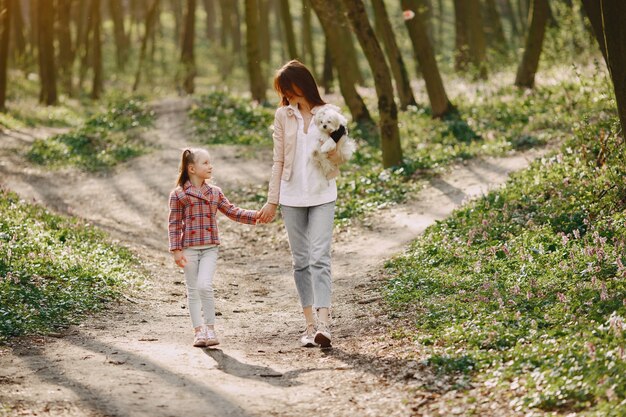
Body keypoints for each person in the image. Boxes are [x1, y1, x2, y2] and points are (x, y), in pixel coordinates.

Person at [258, 60, 348, 348]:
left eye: (289, 86)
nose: (286, 93)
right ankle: (309, 326)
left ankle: (324, 324)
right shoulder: (283, 116)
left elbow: (343, 155)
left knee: (319, 257)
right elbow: (278, 159)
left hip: (322, 192)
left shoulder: (330, 114)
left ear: (303, 83)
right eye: (283, 89)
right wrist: (272, 201)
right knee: (300, 262)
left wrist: (334, 150)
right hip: (291, 195)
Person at [168, 148, 259, 348]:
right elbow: (174, 224)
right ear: (192, 168)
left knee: (204, 286)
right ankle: (198, 331)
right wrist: (176, 250)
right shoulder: (179, 195)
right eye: (206, 163)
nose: (211, 166)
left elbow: (232, 212)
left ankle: (210, 327)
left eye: (210, 162)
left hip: (210, 248)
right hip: (189, 248)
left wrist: (256, 215)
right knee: (192, 290)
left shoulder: (215, 192)